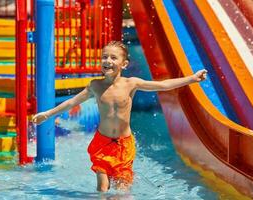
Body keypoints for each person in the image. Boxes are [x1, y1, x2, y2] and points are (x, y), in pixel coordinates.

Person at [32, 41, 207, 192]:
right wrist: (47, 114)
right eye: (105, 57)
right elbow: (71, 102)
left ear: (124, 64)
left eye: (113, 58)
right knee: (102, 188)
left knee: (122, 191)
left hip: (124, 145)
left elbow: (162, 85)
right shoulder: (95, 85)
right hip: (102, 144)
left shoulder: (131, 83)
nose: (107, 61)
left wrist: (191, 79)